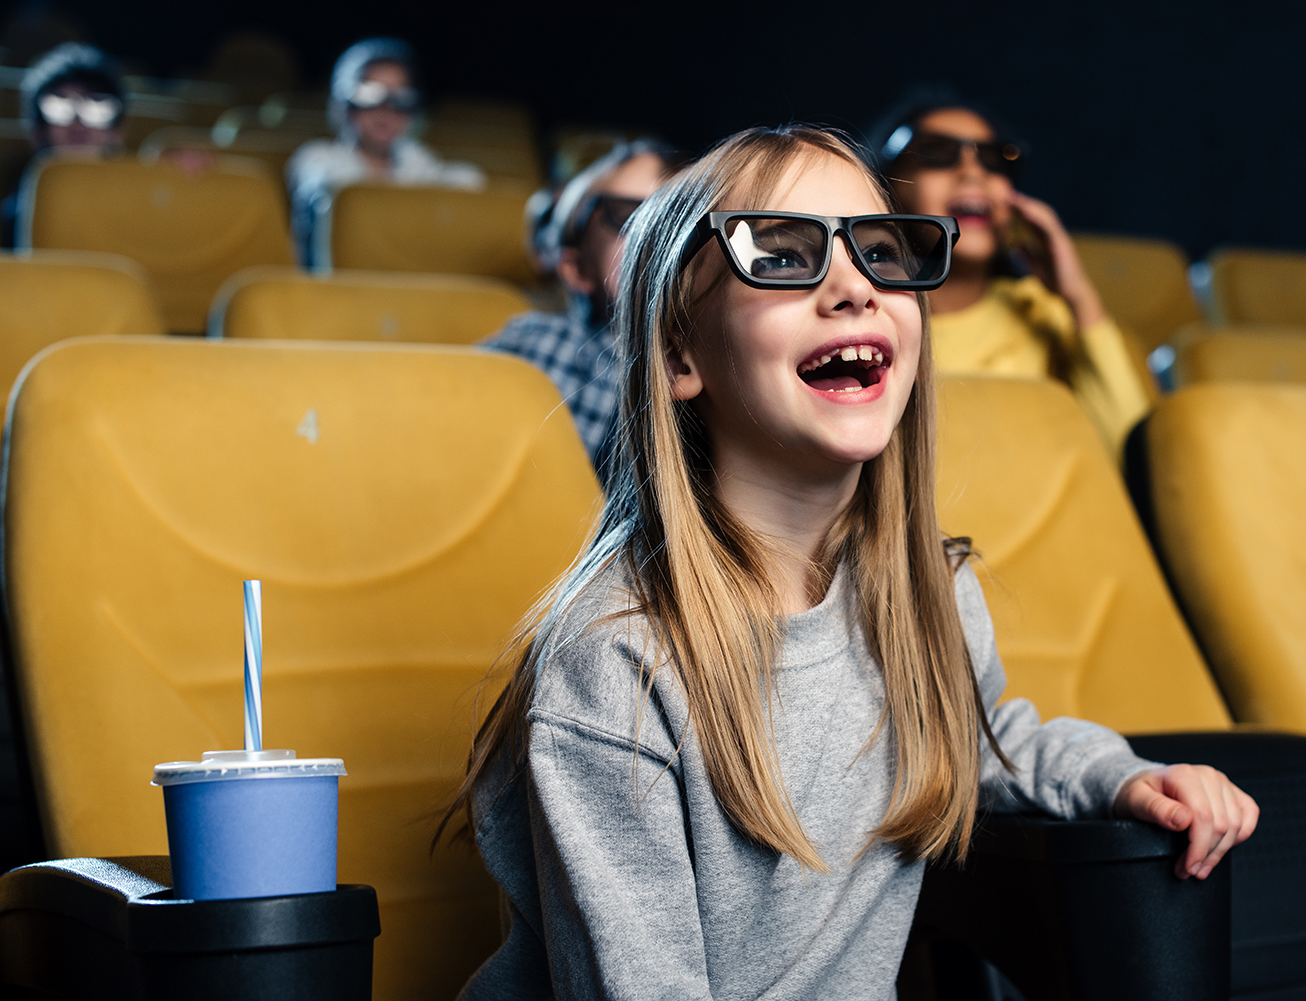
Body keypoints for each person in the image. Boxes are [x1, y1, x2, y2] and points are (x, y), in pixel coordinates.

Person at [444, 125, 1257, 998]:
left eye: (880, 251)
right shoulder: (614, 660)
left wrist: (1125, 778)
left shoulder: (923, 594)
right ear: (680, 353)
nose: (854, 287)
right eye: (782, 255)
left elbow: (984, 743)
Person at [872, 93, 1151, 457]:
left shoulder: (1042, 312)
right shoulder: (862, 315)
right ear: (885, 189)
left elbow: (1133, 457)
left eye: (993, 159)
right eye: (936, 152)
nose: (973, 173)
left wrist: (1079, 296)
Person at [480, 139, 676, 475]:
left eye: (678, 216)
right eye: (628, 216)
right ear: (577, 269)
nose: (656, 234)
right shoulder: (545, 346)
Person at [285, 38, 484, 264]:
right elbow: (328, 190)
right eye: (370, 95)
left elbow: (467, 182)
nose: (386, 110)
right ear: (345, 103)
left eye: (400, 99)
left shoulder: (415, 159)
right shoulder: (317, 157)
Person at [2, 42, 125, 248]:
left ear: (117, 131)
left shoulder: (142, 200)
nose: (77, 123)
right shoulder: (13, 211)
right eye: (60, 106)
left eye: (96, 105)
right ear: (37, 130)